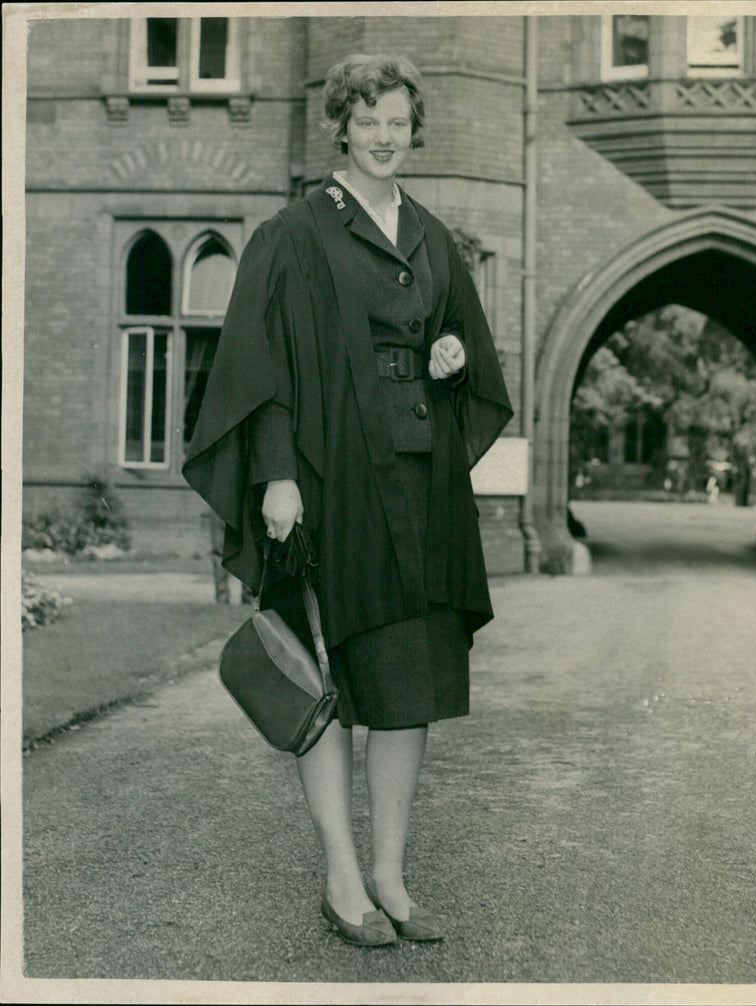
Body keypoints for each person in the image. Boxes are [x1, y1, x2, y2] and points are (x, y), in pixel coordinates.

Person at [183, 53, 512, 947]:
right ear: (342, 124)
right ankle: (341, 879)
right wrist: (277, 476)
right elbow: (263, 365)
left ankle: (392, 879)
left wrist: (451, 357)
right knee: (323, 681)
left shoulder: (434, 236)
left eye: (397, 122)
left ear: (415, 129)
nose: (383, 136)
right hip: (328, 484)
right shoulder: (296, 232)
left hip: (420, 485)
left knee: (410, 685)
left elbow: (467, 352)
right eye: (367, 120)